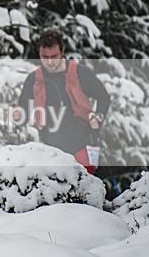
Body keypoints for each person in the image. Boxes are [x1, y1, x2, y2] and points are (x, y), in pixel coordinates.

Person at [15, 29, 110, 174]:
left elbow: (103, 97)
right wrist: (16, 115)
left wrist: (98, 118)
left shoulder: (80, 73)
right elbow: (22, 113)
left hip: (84, 144)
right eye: (45, 57)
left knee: (88, 189)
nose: (50, 62)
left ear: (63, 51)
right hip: (51, 151)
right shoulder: (34, 79)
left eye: (54, 56)